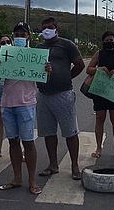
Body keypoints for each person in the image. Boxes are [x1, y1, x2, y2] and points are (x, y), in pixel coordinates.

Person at [0, 22, 50, 195]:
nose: (20, 37)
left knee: (29, 143)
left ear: (28, 36)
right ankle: (17, 178)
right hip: (7, 103)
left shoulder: (36, 55)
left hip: (26, 104)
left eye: (23, 34)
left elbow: (42, 78)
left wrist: (47, 70)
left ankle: (32, 181)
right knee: (12, 142)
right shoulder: (5, 54)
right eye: (17, 34)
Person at [36, 17, 85, 180]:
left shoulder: (67, 45)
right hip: (43, 94)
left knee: (70, 132)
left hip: (63, 94)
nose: (46, 30)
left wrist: (66, 77)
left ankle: (75, 166)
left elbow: (79, 64)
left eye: (49, 27)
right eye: (43, 28)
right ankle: (53, 165)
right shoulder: (39, 48)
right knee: (48, 132)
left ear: (56, 29)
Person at [85, 31, 114, 160]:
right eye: (107, 40)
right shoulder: (99, 53)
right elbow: (89, 69)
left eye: (112, 40)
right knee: (100, 118)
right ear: (103, 41)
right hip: (100, 90)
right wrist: (98, 69)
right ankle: (98, 147)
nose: (110, 42)